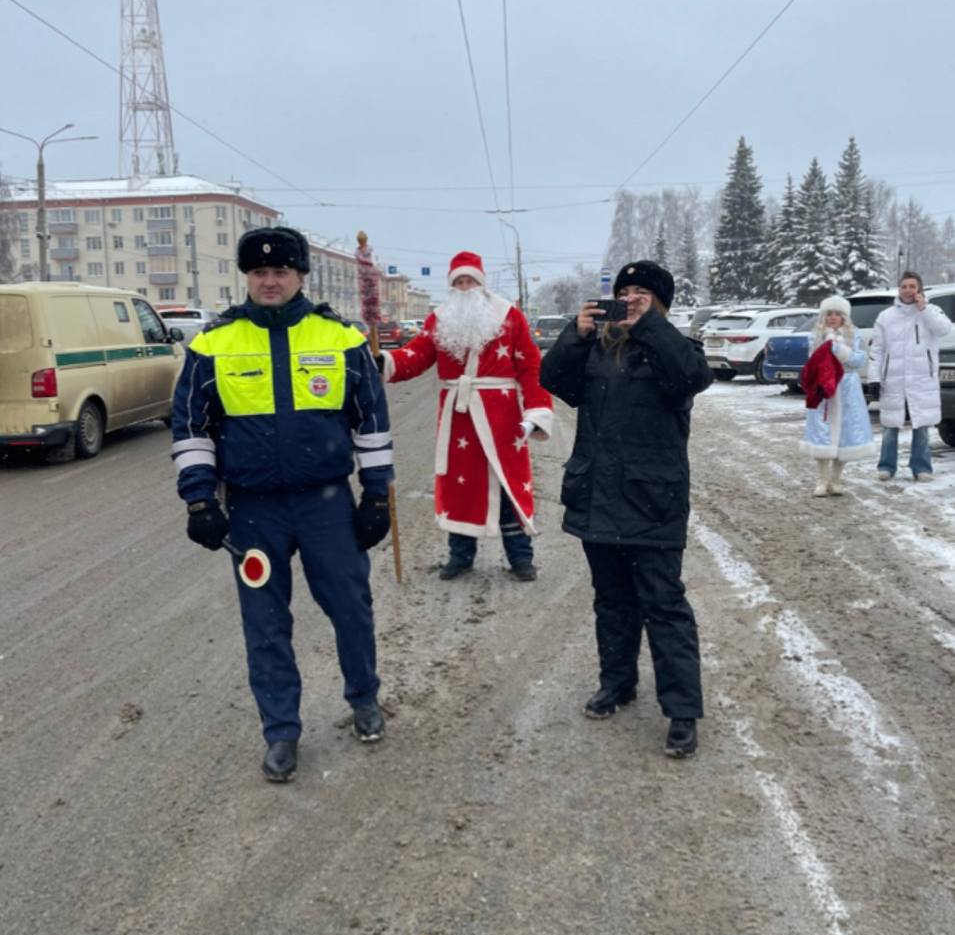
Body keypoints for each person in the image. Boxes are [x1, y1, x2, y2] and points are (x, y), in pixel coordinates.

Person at [171, 226, 394, 784]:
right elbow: (191, 427)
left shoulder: (340, 340)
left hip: (327, 506)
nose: (270, 281)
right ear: (248, 277)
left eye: (282, 272)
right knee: (265, 624)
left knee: (350, 607)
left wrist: (377, 495)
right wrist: (200, 500)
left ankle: (364, 698)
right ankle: (281, 732)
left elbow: (371, 422)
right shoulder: (212, 346)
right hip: (253, 511)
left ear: (300, 276)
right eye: (260, 273)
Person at [540, 260, 712, 758]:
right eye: (624, 291)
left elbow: (689, 378)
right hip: (598, 495)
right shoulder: (598, 350)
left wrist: (650, 326)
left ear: (661, 303)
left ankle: (682, 710)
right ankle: (617, 683)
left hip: (652, 500)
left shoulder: (676, 350)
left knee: (663, 604)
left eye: (643, 293)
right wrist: (576, 333)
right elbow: (553, 378)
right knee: (612, 601)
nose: (631, 298)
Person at [378, 251, 553, 580]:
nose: (464, 286)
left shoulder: (510, 316)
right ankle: (460, 556)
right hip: (458, 418)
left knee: (507, 485)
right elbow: (416, 356)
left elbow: (530, 367)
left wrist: (537, 409)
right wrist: (384, 361)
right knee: (461, 487)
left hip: (502, 418)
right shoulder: (440, 319)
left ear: (481, 282)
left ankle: (520, 557)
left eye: (469, 280)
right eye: (457, 281)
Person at [868, 270, 949, 481]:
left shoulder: (931, 311)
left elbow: (943, 329)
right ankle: (886, 466)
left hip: (922, 378)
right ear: (899, 288)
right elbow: (876, 350)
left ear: (919, 289)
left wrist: (924, 309)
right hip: (892, 379)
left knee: (921, 424)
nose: (908, 290)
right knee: (890, 425)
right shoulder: (886, 316)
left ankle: (921, 468)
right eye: (904, 286)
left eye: (912, 286)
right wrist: (874, 379)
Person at [799, 295, 874, 496]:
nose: (833, 318)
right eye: (829, 314)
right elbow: (812, 362)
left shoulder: (854, 335)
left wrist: (841, 350)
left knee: (846, 434)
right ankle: (822, 480)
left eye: (837, 314)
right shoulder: (815, 336)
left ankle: (836, 480)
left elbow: (859, 360)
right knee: (822, 433)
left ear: (844, 317)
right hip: (824, 390)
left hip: (848, 388)